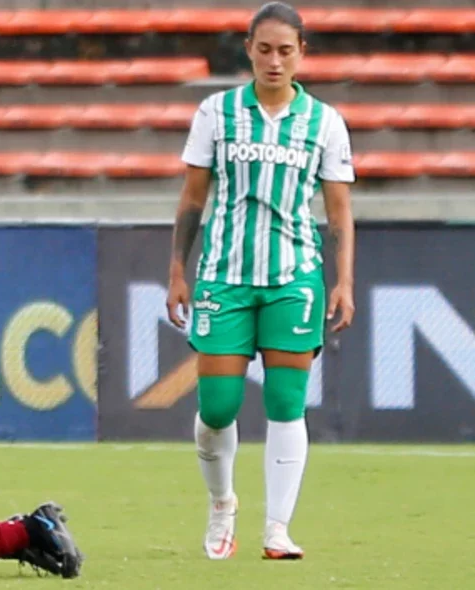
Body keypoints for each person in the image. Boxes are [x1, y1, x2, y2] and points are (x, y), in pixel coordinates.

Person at [165, 1, 356, 561]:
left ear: (302, 54)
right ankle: (223, 502)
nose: (275, 60)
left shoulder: (325, 122)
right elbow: (192, 199)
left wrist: (343, 281)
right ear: (249, 49)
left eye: (286, 50)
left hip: (294, 277)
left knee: (285, 401)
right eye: (265, 49)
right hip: (224, 277)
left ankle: (277, 528)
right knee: (218, 404)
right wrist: (179, 269)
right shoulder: (216, 114)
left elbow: (339, 212)